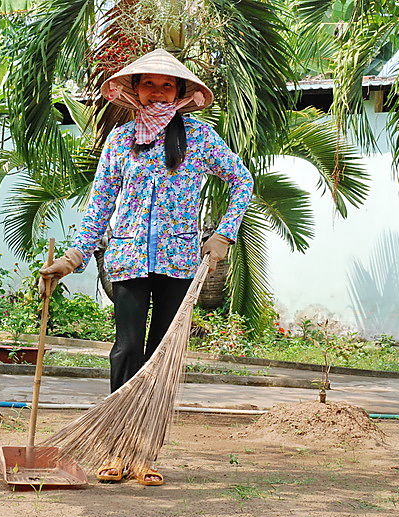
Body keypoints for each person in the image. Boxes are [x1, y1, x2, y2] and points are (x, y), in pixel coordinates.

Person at [39, 48, 253, 485]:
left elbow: (241, 180)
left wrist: (224, 233)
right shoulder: (120, 140)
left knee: (161, 357)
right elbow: (100, 206)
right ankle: (116, 450)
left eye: (167, 85)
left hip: (178, 262)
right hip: (128, 258)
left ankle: (145, 453)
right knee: (126, 350)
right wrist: (73, 258)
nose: (158, 92)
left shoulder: (199, 136)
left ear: (180, 92)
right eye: (149, 84)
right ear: (134, 90)